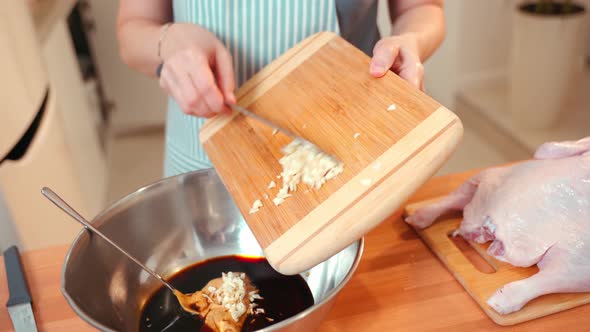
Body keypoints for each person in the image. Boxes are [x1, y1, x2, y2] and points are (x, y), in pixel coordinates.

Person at [117, 0, 445, 177]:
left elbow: (421, 8)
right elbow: (132, 30)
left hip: (348, 145)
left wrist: (409, 41)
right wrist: (167, 42)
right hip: (207, 157)